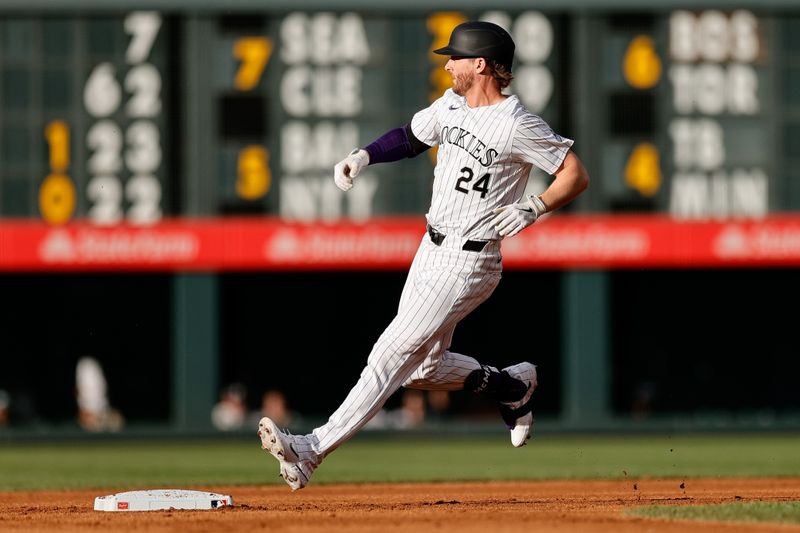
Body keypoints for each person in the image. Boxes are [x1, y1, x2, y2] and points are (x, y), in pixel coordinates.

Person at [258, 20, 590, 491]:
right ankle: (510, 385)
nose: (448, 63)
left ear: (481, 64)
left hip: (471, 261)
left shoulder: (517, 123)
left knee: (390, 352)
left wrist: (536, 206)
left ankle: (310, 450)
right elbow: (411, 136)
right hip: (430, 248)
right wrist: (364, 156)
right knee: (421, 370)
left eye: (455, 56)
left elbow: (574, 174)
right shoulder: (452, 104)